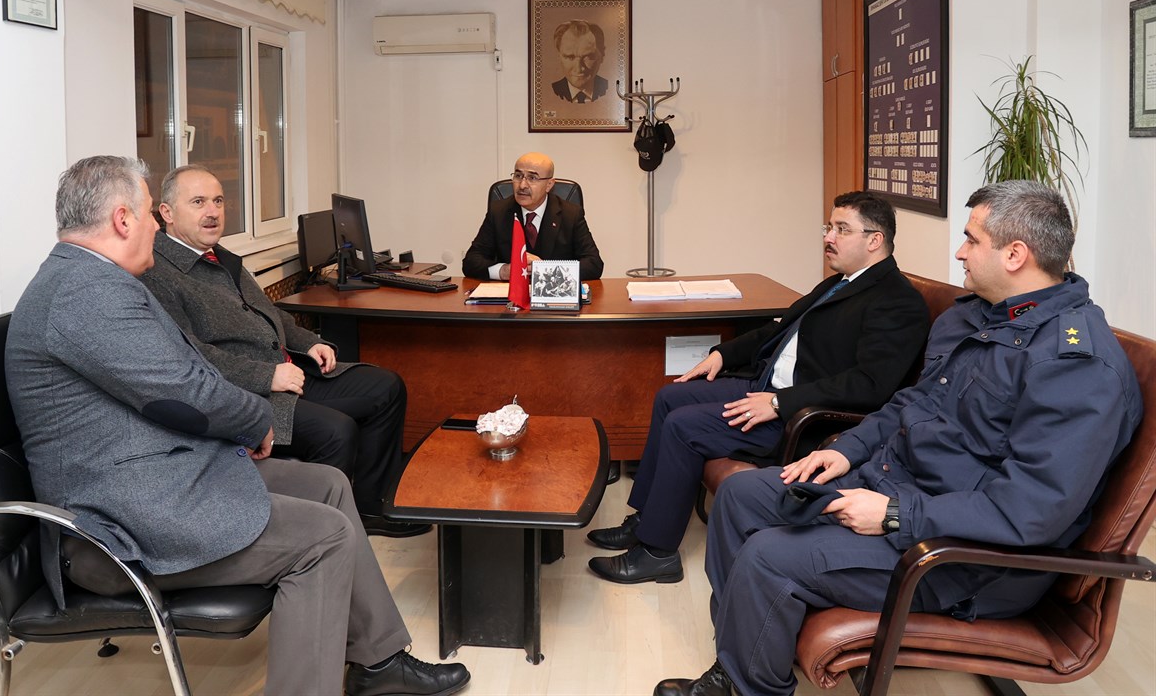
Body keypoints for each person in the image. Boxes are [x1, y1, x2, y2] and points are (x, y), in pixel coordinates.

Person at [4, 155, 470, 696]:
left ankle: (377, 662)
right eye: (150, 213)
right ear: (123, 219)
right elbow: (184, 392)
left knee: (328, 485)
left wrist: (243, 422)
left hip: (163, 482)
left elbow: (186, 373)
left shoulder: (95, 280)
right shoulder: (85, 293)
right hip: (118, 530)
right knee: (325, 538)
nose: (155, 225)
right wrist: (256, 421)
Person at [656, 180, 1143, 696]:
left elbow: (1030, 511)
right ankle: (739, 663)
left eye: (972, 239)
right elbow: (914, 402)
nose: (959, 252)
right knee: (740, 496)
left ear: (1015, 254)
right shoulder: (975, 317)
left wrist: (893, 515)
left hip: (962, 555)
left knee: (767, 556)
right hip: (895, 486)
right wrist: (846, 450)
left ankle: (750, 688)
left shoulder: (1076, 367)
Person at [587, 192, 929, 585]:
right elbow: (776, 330)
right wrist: (723, 354)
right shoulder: (840, 283)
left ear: (875, 240)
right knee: (670, 397)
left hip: (802, 415)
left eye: (841, 229)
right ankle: (647, 519)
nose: (828, 237)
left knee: (684, 426)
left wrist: (781, 402)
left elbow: (870, 386)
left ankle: (656, 553)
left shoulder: (898, 302)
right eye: (829, 227)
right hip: (767, 385)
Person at [140, 165, 425, 538]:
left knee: (385, 387)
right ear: (166, 212)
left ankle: (370, 508)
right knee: (335, 432)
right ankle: (322, 537)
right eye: (198, 202)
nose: (212, 212)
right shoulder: (157, 273)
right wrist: (267, 376)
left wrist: (310, 342)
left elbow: (269, 314)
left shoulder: (219, 255)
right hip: (250, 392)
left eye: (218, 201)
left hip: (291, 371)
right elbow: (192, 355)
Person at [462, 152, 604, 281]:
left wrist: (546, 270)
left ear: (549, 185)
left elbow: (594, 264)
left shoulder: (570, 214)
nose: (522, 185)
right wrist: (503, 271)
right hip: (511, 296)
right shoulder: (499, 211)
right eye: (518, 176)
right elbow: (471, 262)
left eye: (532, 178)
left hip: (553, 296)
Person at [550, 19, 609, 103]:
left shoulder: (613, 90)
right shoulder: (548, 93)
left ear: (602, 55)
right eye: (570, 57)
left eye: (587, 57)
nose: (579, 68)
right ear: (559, 56)